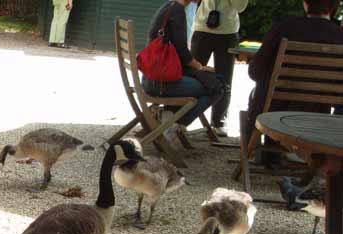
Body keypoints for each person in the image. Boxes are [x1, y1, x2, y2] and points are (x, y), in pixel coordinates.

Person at [246, 0, 343, 167]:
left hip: (273, 111)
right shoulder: (340, 35)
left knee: (261, 92)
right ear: (335, 7)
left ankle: (264, 151)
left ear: (306, 4)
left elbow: (254, 71)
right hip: (317, 113)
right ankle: (308, 159)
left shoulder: (284, 27)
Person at [144, 0, 225, 147]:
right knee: (217, 87)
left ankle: (168, 115)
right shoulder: (177, 11)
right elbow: (183, 53)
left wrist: (198, 70)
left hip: (153, 78)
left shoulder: (169, 6)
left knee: (210, 80)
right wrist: (199, 67)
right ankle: (173, 125)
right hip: (162, 83)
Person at [191, 0, 248, 137]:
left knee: (225, 79)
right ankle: (180, 118)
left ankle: (219, 122)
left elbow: (240, 7)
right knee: (192, 74)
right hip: (202, 27)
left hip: (228, 32)